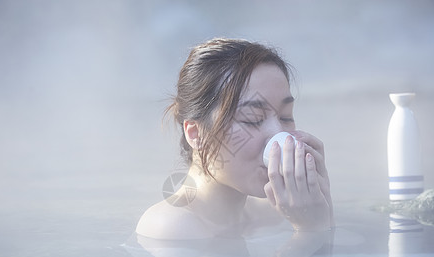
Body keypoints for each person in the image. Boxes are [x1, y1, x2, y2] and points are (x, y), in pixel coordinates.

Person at [136, 38, 334, 240]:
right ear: (196, 134)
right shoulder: (171, 226)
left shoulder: (277, 212)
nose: (278, 136)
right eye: (252, 119)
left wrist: (321, 209)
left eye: (285, 117)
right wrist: (311, 231)